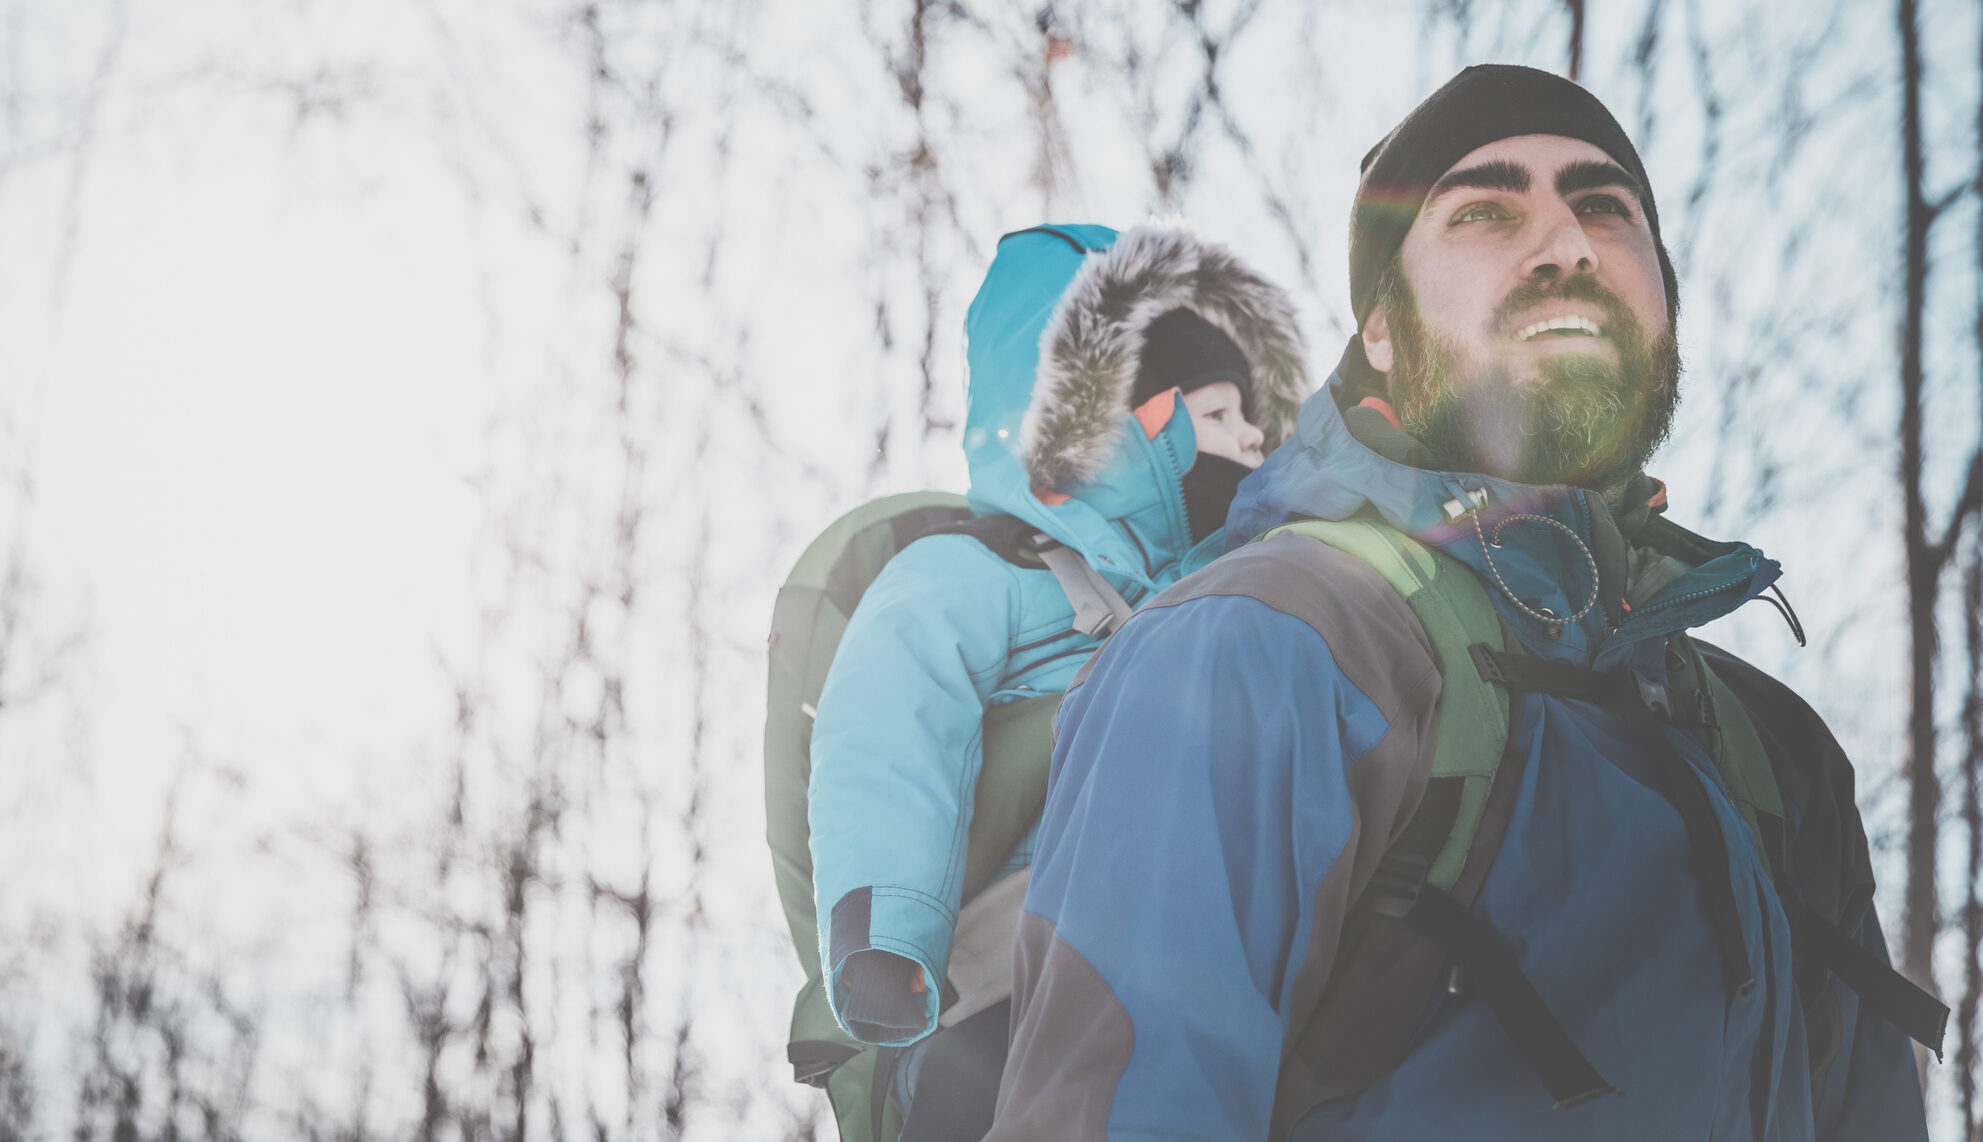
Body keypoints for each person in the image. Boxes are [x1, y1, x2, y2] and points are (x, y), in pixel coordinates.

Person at [989, 65, 1932, 1141]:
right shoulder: (1262, 646)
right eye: (1486, 209)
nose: (1566, 244)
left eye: (1605, 206)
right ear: (1381, 329)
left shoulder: (1778, 754)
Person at [807, 221, 1308, 1138]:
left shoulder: (1234, 607)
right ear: (1134, 417)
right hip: (1007, 984)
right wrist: (888, 927)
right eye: (1223, 413)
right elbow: (888, 731)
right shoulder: (975, 577)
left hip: (1195, 984)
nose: (1254, 439)